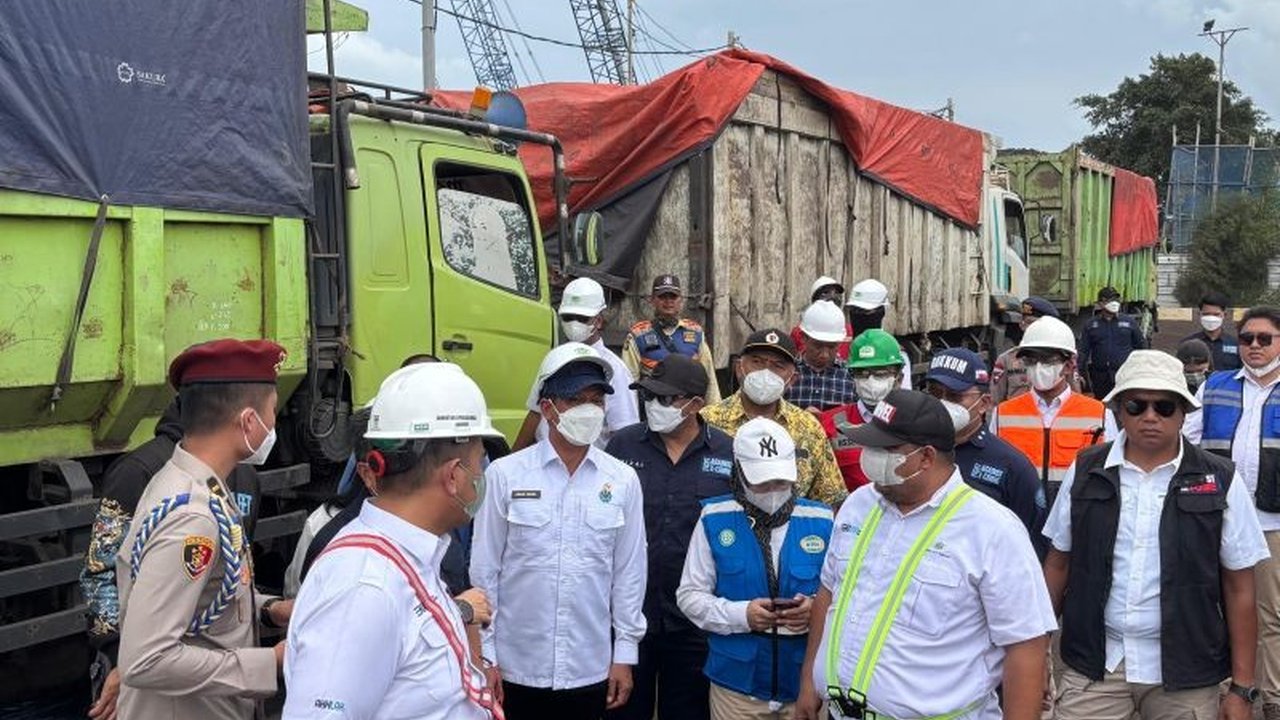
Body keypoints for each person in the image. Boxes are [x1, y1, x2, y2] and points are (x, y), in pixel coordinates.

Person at [795, 389, 1056, 720]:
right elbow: (830, 592)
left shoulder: (992, 529)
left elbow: (1025, 645)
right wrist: (810, 680)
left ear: (926, 457)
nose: (870, 457)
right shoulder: (858, 505)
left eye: (885, 449)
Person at [1042, 350, 1269, 720]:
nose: (1150, 416)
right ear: (1119, 411)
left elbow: (1240, 587)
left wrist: (1242, 688)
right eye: (1136, 405)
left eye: (1164, 407)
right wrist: (1038, 655)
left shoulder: (1221, 479)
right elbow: (1057, 565)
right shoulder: (1085, 470)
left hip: (1187, 674)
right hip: (1096, 666)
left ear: (1183, 413)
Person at [281, 362, 503, 719]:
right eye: (479, 463)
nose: (482, 476)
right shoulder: (364, 587)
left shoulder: (411, 558)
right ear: (454, 476)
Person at [114, 339, 291, 720]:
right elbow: (145, 659)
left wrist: (269, 610)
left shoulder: (192, 484)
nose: (273, 425)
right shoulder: (192, 517)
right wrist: (270, 662)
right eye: (272, 412)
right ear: (248, 421)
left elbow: (202, 600)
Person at [471, 344, 648, 720]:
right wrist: (486, 656)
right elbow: (485, 572)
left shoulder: (622, 480)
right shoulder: (505, 475)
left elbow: (629, 573)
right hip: (516, 666)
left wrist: (625, 654)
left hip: (590, 665)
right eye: (575, 399)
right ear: (548, 408)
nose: (589, 410)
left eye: (596, 400)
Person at [80, 396, 264, 720]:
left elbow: (231, 576)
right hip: (146, 674)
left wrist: (267, 609)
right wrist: (121, 657)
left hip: (218, 674)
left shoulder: (243, 476)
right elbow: (100, 571)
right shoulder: (140, 471)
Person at [676, 418, 833, 720]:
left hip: (805, 685)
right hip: (737, 687)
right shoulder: (714, 517)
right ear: (739, 472)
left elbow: (846, 596)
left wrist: (816, 609)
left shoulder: (823, 520)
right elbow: (690, 596)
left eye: (781, 481)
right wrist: (742, 615)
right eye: (762, 483)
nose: (773, 491)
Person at [605, 355, 734, 720]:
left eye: (664, 398)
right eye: (648, 396)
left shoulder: (726, 452)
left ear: (695, 404)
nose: (652, 405)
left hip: (695, 620)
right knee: (623, 709)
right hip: (630, 616)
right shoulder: (624, 446)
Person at [1185, 306, 1280, 718]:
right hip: (1217, 519)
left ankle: (1273, 698)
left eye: (1264, 339)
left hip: (1273, 523)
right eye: (1246, 339)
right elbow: (1185, 440)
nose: (1254, 346)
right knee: (1217, 609)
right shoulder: (1214, 386)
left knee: (1271, 617)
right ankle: (1226, 692)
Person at [700, 329, 847, 508]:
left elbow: (831, 498)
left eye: (778, 366)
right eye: (757, 362)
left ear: (792, 379)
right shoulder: (707, 421)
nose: (766, 372)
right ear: (739, 368)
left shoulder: (808, 427)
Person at [992, 316, 1111, 508]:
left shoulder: (1099, 415)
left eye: (1047, 360)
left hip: (1074, 515)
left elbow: (1110, 475)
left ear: (1069, 366)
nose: (1038, 367)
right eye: (1030, 360)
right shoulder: (1002, 415)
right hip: (1019, 515)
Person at [924, 348, 1043, 540]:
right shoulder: (913, 452)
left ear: (984, 403)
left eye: (954, 396)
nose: (942, 403)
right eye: (934, 393)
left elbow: (1032, 540)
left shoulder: (1012, 467)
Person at [514, 277, 640, 451]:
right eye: (568, 317)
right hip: (545, 458)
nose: (574, 324)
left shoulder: (615, 370)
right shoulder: (554, 359)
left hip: (588, 461)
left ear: (598, 321)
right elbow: (535, 414)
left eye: (582, 318)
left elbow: (623, 432)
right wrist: (510, 458)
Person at [816, 329, 906, 491]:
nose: (870, 381)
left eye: (880, 373)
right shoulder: (830, 423)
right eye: (862, 374)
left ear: (898, 378)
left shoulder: (914, 422)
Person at [622, 274, 721, 404]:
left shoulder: (695, 332)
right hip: (654, 406)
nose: (668, 301)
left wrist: (714, 409)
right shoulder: (638, 334)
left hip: (688, 407)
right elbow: (629, 379)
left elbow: (709, 376)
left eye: (673, 296)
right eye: (662, 296)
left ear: (680, 300)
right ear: (652, 300)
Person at [991, 295, 1083, 404]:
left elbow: (1076, 396)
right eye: (1024, 322)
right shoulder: (1006, 359)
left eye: (1032, 322)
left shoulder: (1062, 358)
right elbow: (995, 401)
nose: (1026, 326)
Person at [784, 301, 855, 411]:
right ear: (803, 338)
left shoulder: (850, 376)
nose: (824, 354)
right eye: (818, 346)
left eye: (832, 347)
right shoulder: (787, 373)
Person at [1080, 286, 1147, 399]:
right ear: (1101, 303)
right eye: (1109, 300)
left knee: (1124, 403)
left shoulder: (1129, 322)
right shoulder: (1091, 325)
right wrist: (1080, 373)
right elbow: (1083, 351)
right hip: (1100, 376)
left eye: (1116, 299)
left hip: (1124, 375)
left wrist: (1140, 371)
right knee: (1103, 404)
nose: (1114, 303)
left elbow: (1141, 347)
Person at [844, 278, 912, 389]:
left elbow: (903, 393)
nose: (858, 316)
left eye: (865, 311)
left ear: (881, 312)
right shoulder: (841, 348)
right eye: (854, 310)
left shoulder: (894, 353)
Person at [789, 276, 853, 362]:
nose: (833, 297)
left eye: (836, 293)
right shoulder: (799, 332)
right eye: (826, 292)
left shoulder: (848, 331)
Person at [1183, 291, 1242, 372]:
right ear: (1199, 314)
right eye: (1206, 314)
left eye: (1216, 314)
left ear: (1224, 315)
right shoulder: (1188, 344)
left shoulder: (1236, 344)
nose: (1211, 318)